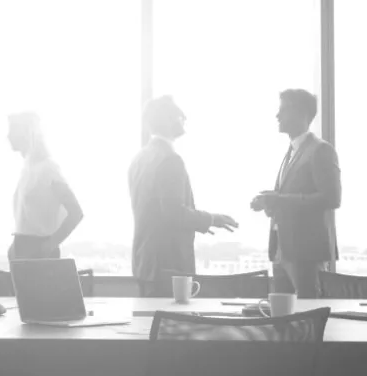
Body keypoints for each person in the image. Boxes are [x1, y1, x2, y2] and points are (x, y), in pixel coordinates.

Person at [128, 96, 237, 297]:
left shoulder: (140, 159)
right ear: (169, 119)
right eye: (180, 115)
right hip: (169, 264)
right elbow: (173, 213)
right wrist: (212, 219)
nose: (184, 119)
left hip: (145, 262)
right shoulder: (170, 160)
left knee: (149, 325)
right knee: (170, 325)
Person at [251, 89, 340, 299]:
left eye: (283, 110)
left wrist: (279, 200)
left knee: (308, 315)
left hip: (306, 252)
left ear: (301, 113)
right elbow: (291, 197)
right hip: (283, 249)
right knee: (283, 319)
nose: (277, 115)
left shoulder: (321, 150)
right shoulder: (291, 151)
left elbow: (332, 197)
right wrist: (269, 201)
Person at [7, 111, 84, 260]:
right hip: (22, 253)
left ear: (25, 133)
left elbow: (76, 212)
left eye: (12, 130)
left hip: (38, 255)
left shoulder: (48, 170)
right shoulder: (27, 171)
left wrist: (49, 246)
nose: (8, 136)